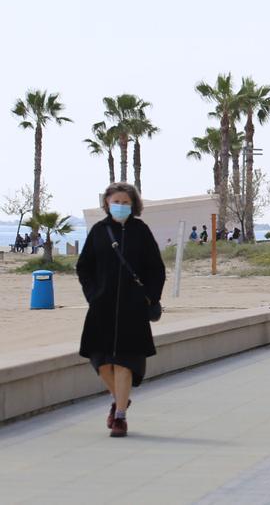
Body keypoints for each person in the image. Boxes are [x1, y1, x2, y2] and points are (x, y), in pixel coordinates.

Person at [76, 182, 166, 438]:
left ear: (133, 205)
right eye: (117, 202)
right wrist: (94, 294)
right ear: (106, 203)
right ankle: (120, 400)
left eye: (126, 203)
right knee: (102, 362)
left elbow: (156, 268)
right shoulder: (99, 231)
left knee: (126, 362)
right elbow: (84, 267)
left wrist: (149, 297)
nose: (121, 206)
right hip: (101, 308)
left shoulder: (141, 231)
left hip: (133, 308)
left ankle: (120, 418)